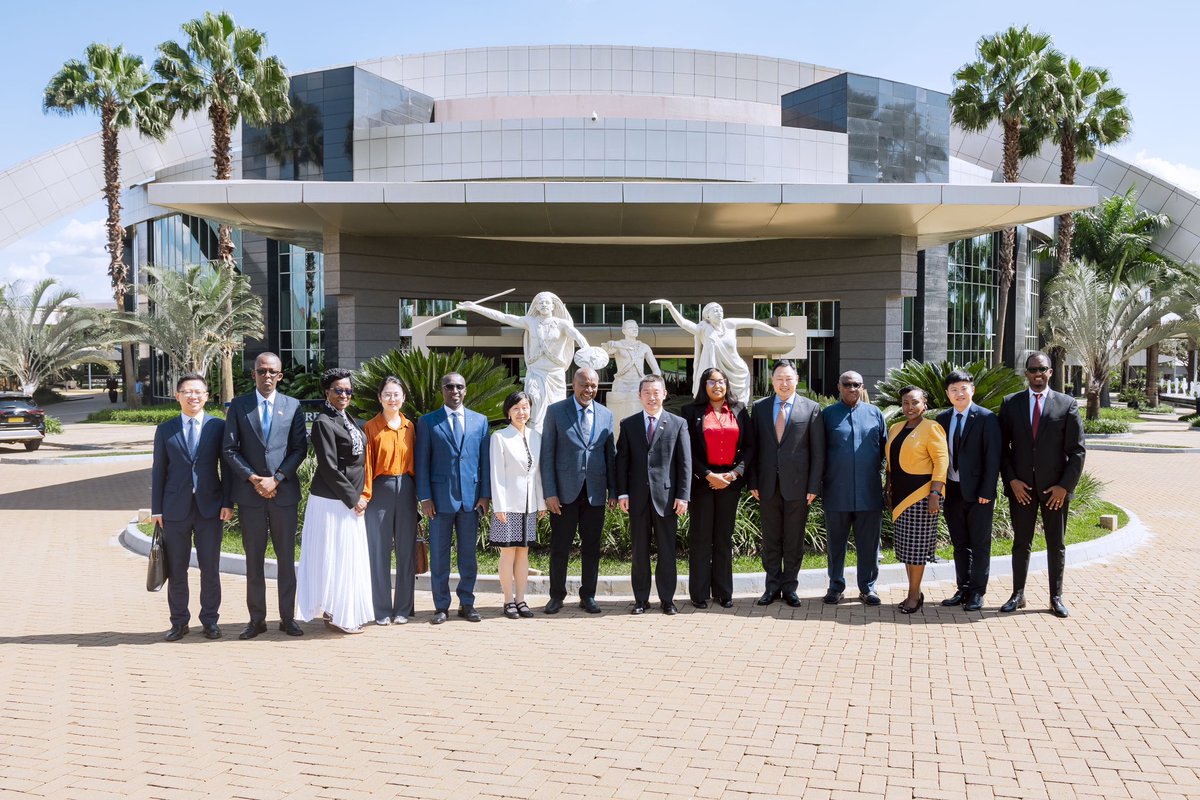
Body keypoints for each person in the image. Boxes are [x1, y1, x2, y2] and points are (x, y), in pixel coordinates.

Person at [222, 352, 309, 640]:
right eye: (261, 371)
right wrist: (253, 478)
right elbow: (229, 449)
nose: (267, 376)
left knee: (286, 559)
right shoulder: (239, 406)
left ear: (280, 376)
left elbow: (299, 448)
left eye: (272, 371)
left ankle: (287, 618)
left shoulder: (293, 405)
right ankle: (256, 620)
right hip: (251, 496)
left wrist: (277, 478)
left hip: (284, 495)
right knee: (254, 560)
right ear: (254, 375)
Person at [998, 351, 1086, 619]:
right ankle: (1017, 594)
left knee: (1056, 544)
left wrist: (1064, 487)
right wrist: (1012, 480)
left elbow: (1077, 451)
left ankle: (1055, 597)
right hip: (1022, 489)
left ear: (1050, 372)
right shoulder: (1010, 403)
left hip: (1054, 490)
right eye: (1033, 369)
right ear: (1026, 373)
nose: (1038, 374)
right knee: (1020, 543)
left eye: (1043, 369)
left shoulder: (1067, 404)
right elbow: (1002, 448)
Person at [151, 373, 233, 641]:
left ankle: (210, 620)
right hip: (174, 510)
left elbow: (227, 469)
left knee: (210, 568)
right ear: (178, 396)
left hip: (210, 508)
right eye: (187, 392)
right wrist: (156, 510)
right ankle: (179, 622)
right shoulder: (166, 429)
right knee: (177, 569)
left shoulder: (218, 427)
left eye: (198, 392)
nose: (193, 396)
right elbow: (159, 470)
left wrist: (227, 502)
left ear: (206, 396)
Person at [295, 368, 373, 634]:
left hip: (349, 499)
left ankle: (340, 611)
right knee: (335, 558)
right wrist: (353, 499)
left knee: (346, 558)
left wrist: (361, 495)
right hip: (332, 500)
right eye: (338, 390)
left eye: (348, 391)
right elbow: (329, 467)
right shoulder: (323, 422)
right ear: (327, 392)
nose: (344, 395)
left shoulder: (345, 417)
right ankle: (337, 615)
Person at [747, 360, 824, 608]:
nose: (784, 383)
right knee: (771, 540)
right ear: (772, 381)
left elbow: (818, 452)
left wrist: (814, 486)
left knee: (793, 540)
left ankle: (790, 587)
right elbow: (753, 448)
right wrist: (753, 481)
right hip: (767, 486)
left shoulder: (811, 408)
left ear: (797, 380)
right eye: (779, 378)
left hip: (799, 487)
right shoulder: (760, 408)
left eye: (788, 378)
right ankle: (771, 587)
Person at [415, 372, 491, 624]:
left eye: (459, 386)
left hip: (471, 500)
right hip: (439, 501)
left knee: (468, 556)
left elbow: (484, 462)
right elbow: (422, 462)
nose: (454, 391)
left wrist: (485, 495)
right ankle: (441, 606)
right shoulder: (428, 422)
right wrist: (425, 497)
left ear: (465, 390)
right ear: (442, 390)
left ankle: (467, 603)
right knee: (439, 556)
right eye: (449, 386)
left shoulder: (480, 421)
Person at [539, 367, 617, 615]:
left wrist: (613, 491)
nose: (589, 390)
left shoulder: (606, 414)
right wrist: (550, 492)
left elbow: (610, 455)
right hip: (563, 494)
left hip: (595, 492)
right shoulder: (555, 411)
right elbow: (547, 454)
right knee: (560, 546)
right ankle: (556, 596)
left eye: (593, 385)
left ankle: (588, 595)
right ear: (574, 384)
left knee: (592, 547)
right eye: (584, 384)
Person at [457, 292, 590, 430]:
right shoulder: (530, 322)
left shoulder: (562, 324)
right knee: (535, 402)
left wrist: (586, 348)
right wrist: (474, 307)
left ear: (553, 306)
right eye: (540, 302)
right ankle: (535, 433)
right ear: (536, 306)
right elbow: (503, 316)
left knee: (556, 406)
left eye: (547, 302)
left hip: (555, 374)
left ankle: (555, 434)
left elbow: (577, 335)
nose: (544, 305)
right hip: (536, 372)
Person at [617, 374, 692, 615]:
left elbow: (685, 463)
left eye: (656, 392)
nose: (652, 397)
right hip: (637, 498)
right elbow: (622, 462)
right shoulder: (629, 424)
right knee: (639, 552)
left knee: (667, 552)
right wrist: (622, 493)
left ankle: (667, 600)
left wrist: (683, 496)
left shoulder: (678, 423)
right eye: (647, 393)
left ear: (664, 394)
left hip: (667, 500)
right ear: (639, 396)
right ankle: (641, 599)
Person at [682, 367, 752, 609]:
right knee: (701, 538)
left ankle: (723, 592)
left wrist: (734, 474)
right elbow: (687, 448)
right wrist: (707, 474)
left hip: (730, 482)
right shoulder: (691, 412)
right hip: (702, 482)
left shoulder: (739, 409)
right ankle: (699, 593)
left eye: (721, 381)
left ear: (726, 384)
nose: (717, 386)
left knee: (723, 538)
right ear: (704, 385)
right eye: (711, 382)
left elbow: (750, 446)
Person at [936, 369, 1001, 612]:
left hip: (978, 493)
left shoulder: (986, 418)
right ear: (948, 394)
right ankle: (962, 588)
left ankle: (977, 592)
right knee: (960, 543)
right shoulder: (942, 419)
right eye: (954, 390)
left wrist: (987, 490)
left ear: (972, 390)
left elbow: (993, 457)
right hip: (952, 491)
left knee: (980, 544)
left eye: (963, 388)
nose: (959, 393)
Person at [821, 370, 887, 606]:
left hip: (869, 493)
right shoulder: (827, 415)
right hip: (836, 492)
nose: (852, 388)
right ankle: (835, 586)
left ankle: (868, 588)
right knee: (835, 545)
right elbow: (819, 452)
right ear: (839, 387)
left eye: (856, 384)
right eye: (847, 384)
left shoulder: (875, 414)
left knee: (869, 545)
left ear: (862, 387)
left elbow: (884, 450)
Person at [651, 299, 792, 402]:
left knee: (736, 405)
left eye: (720, 310)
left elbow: (755, 323)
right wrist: (670, 306)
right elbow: (683, 323)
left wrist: (778, 333)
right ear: (707, 316)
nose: (719, 312)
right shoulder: (703, 329)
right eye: (715, 310)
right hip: (715, 372)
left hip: (737, 371)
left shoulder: (730, 324)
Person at [360, 376, 418, 626]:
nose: (392, 399)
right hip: (379, 491)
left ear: (403, 398)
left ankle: (403, 608)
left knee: (406, 551)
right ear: (379, 398)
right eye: (387, 394)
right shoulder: (370, 427)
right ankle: (381, 609)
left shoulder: (410, 427)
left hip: (406, 488)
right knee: (378, 551)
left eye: (396, 394)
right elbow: (366, 464)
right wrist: (365, 495)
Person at [885, 386, 948, 614]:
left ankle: (913, 596)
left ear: (924, 404)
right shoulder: (895, 428)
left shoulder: (932, 428)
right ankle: (914, 591)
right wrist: (888, 486)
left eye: (915, 402)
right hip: (901, 497)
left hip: (922, 496)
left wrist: (935, 493)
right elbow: (891, 461)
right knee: (907, 548)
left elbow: (941, 462)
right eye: (905, 403)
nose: (909, 407)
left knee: (917, 549)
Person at [490, 391, 546, 619]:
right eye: (516, 408)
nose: (521, 412)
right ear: (508, 412)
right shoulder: (500, 437)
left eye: (525, 407)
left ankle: (521, 599)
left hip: (529, 506)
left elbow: (538, 474)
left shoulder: (536, 436)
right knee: (508, 553)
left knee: (523, 553)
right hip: (508, 506)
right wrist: (499, 506)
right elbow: (496, 474)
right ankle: (508, 600)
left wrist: (541, 503)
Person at [603, 320, 661, 431]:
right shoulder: (618, 345)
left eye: (636, 327)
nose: (635, 329)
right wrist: (609, 346)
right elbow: (603, 353)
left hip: (638, 384)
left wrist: (651, 384)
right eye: (631, 327)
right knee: (618, 418)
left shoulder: (644, 347)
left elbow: (656, 370)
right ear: (624, 331)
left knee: (638, 416)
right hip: (621, 383)